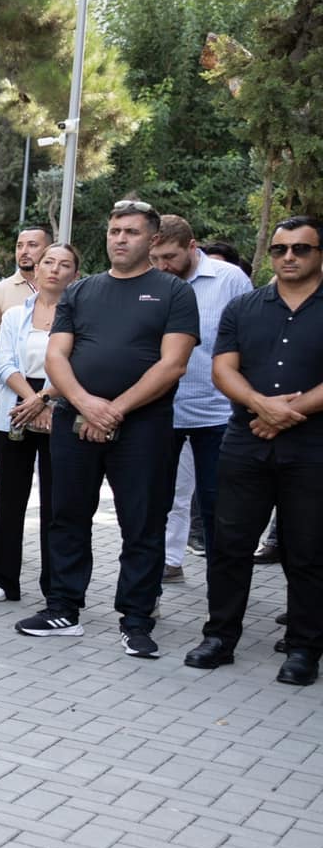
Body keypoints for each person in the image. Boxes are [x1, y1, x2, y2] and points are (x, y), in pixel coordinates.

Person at [17, 200, 198, 655]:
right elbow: (56, 356)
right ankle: (62, 607)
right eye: (115, 230)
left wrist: (114, 409)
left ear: (152, 239)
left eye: (132, 232)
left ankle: (136, 619)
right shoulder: (82, 291)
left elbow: (173, 363)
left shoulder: (174, 293)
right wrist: (84, 405)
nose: (120, 238)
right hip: (74, 421)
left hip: (144, 427)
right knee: (67, 516)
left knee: (141, 521)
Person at [185, 217, 321, 681]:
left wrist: (289, 411)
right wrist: (262, 406)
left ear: (319, 254)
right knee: (229, 546)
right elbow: (223, 369)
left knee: (307, 551)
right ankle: (220, 637)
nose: (288, 257)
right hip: (246, 443)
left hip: (311, 447)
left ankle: (304, 648)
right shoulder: (244, 306)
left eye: (301, 249)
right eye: (280, 248)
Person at [150, 214, 253, 582]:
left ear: (192, 248)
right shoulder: (154, 283)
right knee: (159, 501)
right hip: (164, 411)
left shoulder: (230, 280)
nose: (163, 266)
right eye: (156, 258)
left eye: (170, 258)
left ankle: (221, 591)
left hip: (218, 413)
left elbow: (249, 340)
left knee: (217, 506)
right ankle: (159, 577)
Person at [0, 242, 80, 604]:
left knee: (58, 500)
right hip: (17, 405)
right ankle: (2, 578)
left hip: (61, 402)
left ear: (75, 274)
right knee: (9, 497)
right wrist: (30, 400)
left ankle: (56, 584)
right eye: (47, 262)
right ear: (36, 271)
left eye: (64, 264)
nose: (54, 269)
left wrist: (46, 399)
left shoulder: (80, 315)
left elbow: (79, 363)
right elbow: (4, 363)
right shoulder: (14, 315)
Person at [0, 224, 52, 421]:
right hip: (9, 390)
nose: (24, 251)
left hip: (53, 393)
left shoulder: (66, 294)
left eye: (32, 245)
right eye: (19, 246)